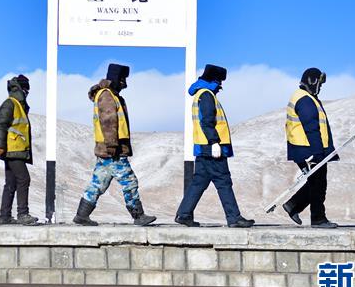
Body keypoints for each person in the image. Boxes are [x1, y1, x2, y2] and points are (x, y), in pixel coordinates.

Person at [72, 63, 156, 227]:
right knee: (130, 181)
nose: (125, 84)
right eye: (123, 79)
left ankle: (82, 215)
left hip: (106, 150)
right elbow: (108, 122)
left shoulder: (108, 94)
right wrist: (112, 146)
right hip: (113, 150)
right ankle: (138, 216)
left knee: (98, 183)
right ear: (117, 78)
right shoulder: (107, 95)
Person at [175, 64, 254, 228]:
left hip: (203, 148)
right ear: (214, 80)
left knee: (198, 182)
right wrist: (215, 142)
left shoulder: (201, 94)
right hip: (212, 149)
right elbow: (207, 122)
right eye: (219, 82)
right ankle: (234, 218)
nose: (220, 86)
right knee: (224, 181)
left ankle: (184, 214)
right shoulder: (207, 95)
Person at [283, 68, 338, 228]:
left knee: (317, 182)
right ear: (312, 81)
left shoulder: (307, 98)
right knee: (318, 184)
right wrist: (318, 153)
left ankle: (293, 205)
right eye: (319, 84)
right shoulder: (305, 100)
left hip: (307, 148)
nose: (320, 87)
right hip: (308, 150)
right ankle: (318, 219)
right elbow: (311, 128)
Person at [0, 75, 38, 225]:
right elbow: (0, 125)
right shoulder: (10, 104)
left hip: (15, 149)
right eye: (26, 89)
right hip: (12, 149)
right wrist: (0, 146)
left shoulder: (18, 105)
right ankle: (23, 214)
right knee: (24, 179)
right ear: (20, 88)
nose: (27, 92)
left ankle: (5, 216)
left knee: (11, 183)